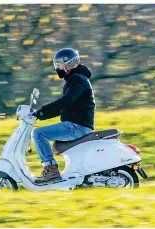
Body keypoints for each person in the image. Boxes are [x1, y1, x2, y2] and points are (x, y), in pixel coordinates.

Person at [31, 48, 96, 184]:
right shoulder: (75, 79)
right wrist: (40, 114)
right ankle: (51, 170)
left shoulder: (77, 80)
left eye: (59, 64)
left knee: (38, 134)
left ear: (69, 64)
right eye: (56, 64)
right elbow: (63, 107)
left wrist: (42, 111)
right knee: (40, 134)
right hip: (76, 125)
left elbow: (65, 101)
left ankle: (51, 170)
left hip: (77, 126)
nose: (57, 67)